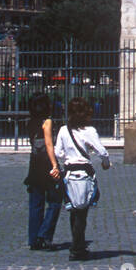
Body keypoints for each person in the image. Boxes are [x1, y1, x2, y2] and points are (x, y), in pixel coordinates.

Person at [54, 98, 111, 260]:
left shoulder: (63, 130)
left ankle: (77, 244)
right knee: (81, 212)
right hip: (84, 172)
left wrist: (68, 156)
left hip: (68, 173)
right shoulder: (89, 131)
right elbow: (102, 151)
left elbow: (58, 152)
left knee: (74, 210)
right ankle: (77, 248)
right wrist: (105, 164)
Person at [23, 93, 62, 250]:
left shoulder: (29, 122)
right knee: (55, 201)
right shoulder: (47, 122)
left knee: (35, 203)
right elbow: (49, 144)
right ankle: (45, 234)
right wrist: (55, 165)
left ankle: (33, 239)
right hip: (46, 163)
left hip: (34, 164)